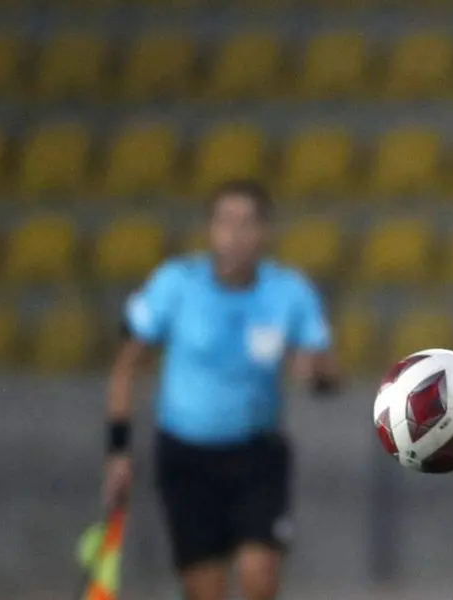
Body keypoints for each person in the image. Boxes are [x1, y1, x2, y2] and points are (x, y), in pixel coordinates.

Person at [103, 180, 339, 600]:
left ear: (264, 232)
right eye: (225, 222)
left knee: (259, 577)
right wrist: (118, 450)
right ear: (211, 230)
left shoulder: (289, 293)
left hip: (257, 458)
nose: (235, 234)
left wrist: (315, 373)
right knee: (205, 590)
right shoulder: (175, 285)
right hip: (187, 459)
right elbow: (126, 367)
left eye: (247, 223)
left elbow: (326, 374)